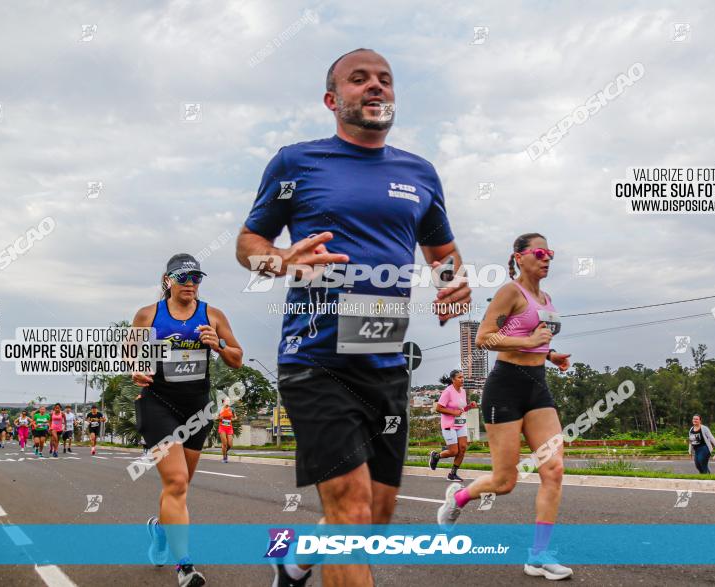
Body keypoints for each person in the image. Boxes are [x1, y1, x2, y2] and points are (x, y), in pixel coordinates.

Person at [237, 48, 470, 587]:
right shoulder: (296, 163)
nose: (375, 87)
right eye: (359, 79)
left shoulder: (420, 173)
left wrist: (452, 280)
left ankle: (292, 563)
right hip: (315, 361)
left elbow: (443, 253)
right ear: (331, 99)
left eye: (384, 80)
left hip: (386, 364)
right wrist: (279, 260)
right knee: (352, 514)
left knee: (377, 517)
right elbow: (248, 242)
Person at [436, 233, 574, 580]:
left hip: (538, 386)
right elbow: (484, 337)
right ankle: (459, 498)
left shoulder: (547, 297)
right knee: (505, 480)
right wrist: (527, 341)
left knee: (553, 469)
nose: (547, 258)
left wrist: (551, 354)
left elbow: (536, 341)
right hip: (505, 388)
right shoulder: (510, 291)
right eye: (540, 252)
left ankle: (538, 555)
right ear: (520, 256)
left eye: (550, 253)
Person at [131, 253, 243, 587]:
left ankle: (160, 530)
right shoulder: (148, 315)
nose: (191, 284)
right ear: (168, 280)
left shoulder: (213, 314)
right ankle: (185, 567)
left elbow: (237, 358)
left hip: (197, 408)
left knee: (179, 487)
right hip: (157, 405)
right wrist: (136, 369)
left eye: (196, 278)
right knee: (177, 481)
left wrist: (219, 344)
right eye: (184, 278)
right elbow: (131, 353)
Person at [428, 370, 476, 481]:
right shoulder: (448, 392)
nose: (462, 379)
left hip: (460, 424)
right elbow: (438, 408)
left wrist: (469, 406)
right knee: (454, 451)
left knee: (463, 448)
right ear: (453, 379)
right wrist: (453, 413)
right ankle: (436, 456)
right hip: (449, 425)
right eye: (459, 377)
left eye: (463, 377)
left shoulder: (463, 392)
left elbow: (460, 409)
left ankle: (452, 474)